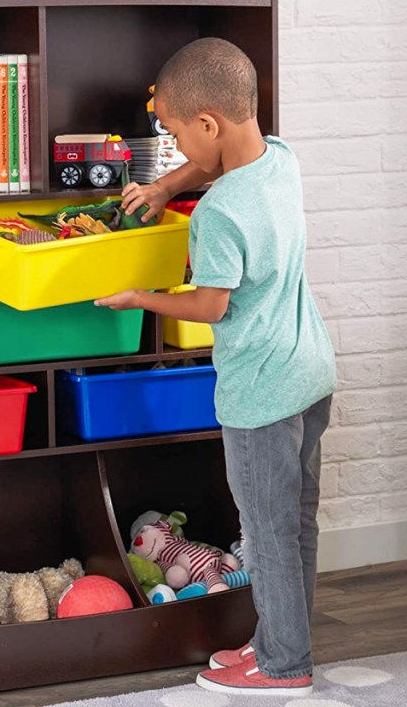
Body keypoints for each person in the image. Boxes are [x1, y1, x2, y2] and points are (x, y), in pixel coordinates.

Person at [95, 38, 336, 698]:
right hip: (310, 373)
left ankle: (285, 667)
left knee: (267, 533)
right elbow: (214, 166)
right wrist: (167, 183)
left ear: (207, 123)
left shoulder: (219, 215)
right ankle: (284, 643)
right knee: (296, 523)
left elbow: (210, 304)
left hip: (260, 393)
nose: (175, 150)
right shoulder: (279, 161)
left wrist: (138, 296)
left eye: (174, 136)